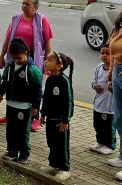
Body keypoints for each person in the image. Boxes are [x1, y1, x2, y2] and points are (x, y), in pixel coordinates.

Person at [0, 0, 53, 132]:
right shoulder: (15, 18)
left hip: (32, 59)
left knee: (33, 88)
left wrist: (47, 62)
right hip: (14, 58)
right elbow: (7, 38)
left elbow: (47, 42)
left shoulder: (41, 20)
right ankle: (10, 113)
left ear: (35, 7)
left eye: (27, 4)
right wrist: (2, 56)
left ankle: (34, 118)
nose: (24, 6)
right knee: (13, 85)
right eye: (23, 3)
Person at [0, 38, 43, 165]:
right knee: (11, 129)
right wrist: (0, 94)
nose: (16, 61)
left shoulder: (32, 70)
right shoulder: (9, 66)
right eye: (14, 58)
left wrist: (35, 107)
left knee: (22, 131)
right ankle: (11, 150)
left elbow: (38, 90)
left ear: (26, 53)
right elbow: (5, 81)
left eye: (19, 58)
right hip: (11, 104)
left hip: (25, 106)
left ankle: (24, 153)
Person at [40, 51, 75, 181]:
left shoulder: (64, 81)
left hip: (61, 121)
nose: (45, 61)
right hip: (50, 118)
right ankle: (54, 165)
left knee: (62, 145)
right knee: (51, 143)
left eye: (49, 60)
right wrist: (43, 114)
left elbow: (68, 101)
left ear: (59, 65)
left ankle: (65, 168)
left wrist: (65, 120)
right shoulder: (49, 79)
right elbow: (46, 98)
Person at [89, 44, 116, 155]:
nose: (104, 55)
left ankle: (110, 145)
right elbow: (93, 80)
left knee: (108, 126)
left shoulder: (115, 69)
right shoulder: (99, 67)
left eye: (108, 53)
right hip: (98, 103)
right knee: (97, 124)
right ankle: (100, 142)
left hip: (109, 105)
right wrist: (94, 85)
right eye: (102, 53)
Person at [107, 10, 122, 180]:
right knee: (119, 118)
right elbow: (113, 53)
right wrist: (110, 75)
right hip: (118, 71)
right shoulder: (119, 24)